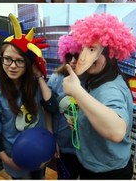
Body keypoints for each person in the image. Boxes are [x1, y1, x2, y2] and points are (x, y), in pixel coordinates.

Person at [63, 13, 136, 178]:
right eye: (83, 48)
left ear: (109, 53)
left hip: (106, 173)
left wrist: (76, 90)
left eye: (92, 49)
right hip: (97, 165)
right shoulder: (98, 78)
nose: (84, 55)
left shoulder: (109, 88)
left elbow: (116, 131)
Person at [0, 14, 57, 179]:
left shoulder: (35, 85)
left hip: (40, 152)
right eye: (7, 59)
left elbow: (52, 106)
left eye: (20, 61)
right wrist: (6, 160)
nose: (12, 66)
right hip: (14, 159)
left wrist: (39, 77)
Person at [47, 35, 83, 179]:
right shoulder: (56, 78)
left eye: (77, 56)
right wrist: (52, 140)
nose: (73, 60)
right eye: (69, 56)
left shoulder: (90, 79)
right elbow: (48, 111)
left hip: (87, 148)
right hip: (63, 146)